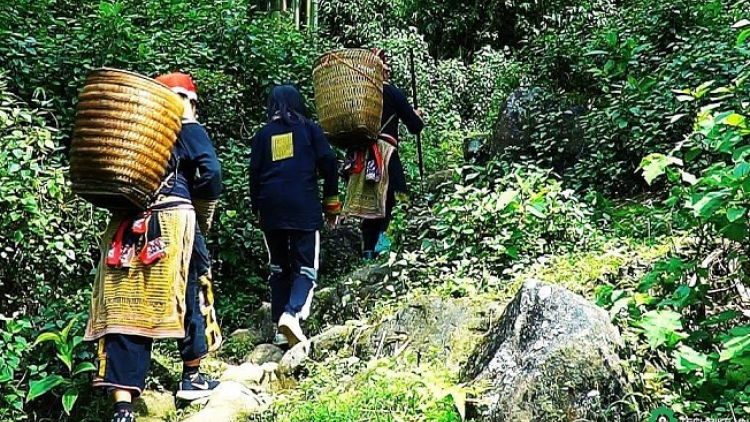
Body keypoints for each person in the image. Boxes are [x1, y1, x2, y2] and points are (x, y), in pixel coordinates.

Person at [83, 72, 223, 422]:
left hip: (125, 225)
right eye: (191, 102)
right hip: (171, 223)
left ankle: (123, 407)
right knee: (188, 290)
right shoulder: (186, 129)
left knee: (125, 306)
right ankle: (192, 376)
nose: (193, 108)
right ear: (183, 101)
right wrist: (197, 200)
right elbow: (212, 174)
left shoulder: (129, 133)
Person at [250, 85, 340, 346]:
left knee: (278, 267)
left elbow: (254, 175)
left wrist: (258, 209)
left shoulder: (263, 135)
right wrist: (331, 205)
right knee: (306, 268)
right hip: (302, 207)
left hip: (271, 209)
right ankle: (292, 314)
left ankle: (280, 329)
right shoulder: (309, 129)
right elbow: (330, 164)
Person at [359, 48, 424, 259]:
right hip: (386, 152)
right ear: (382, 72)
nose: (388, 72)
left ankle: (368, 248)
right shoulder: (392, 93)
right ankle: (386, 240)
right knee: (397, 193)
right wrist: (416, 115)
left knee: (371, 197)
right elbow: (414, 126)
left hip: (365, 154)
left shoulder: (363, 94)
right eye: (386, 69)